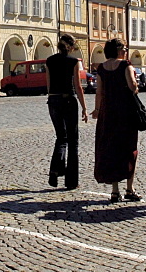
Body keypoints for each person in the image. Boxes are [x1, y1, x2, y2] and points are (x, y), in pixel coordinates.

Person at [91, 38, 140, 203]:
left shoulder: (102, 69)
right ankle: (130, 188)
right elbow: (133, 86)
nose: (125, 51)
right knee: (129, 149)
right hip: (125, 113)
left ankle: (114, 191)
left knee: (111, 149)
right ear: (119, 50)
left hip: (108, 113)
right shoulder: (126, 66)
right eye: (124, 48)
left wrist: (97, 110)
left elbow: (99, 92)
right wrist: (136, 85)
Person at [45, 34, 89, 190]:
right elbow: (77, 86)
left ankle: (54, 170)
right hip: (68, 100)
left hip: (53, 100)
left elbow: (49, 85)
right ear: (71, 47)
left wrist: (53, 98)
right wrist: (84, 107)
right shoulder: (73, 62)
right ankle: (71, 181)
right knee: (73, 141)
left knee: (60, 137)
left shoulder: (49, 61)